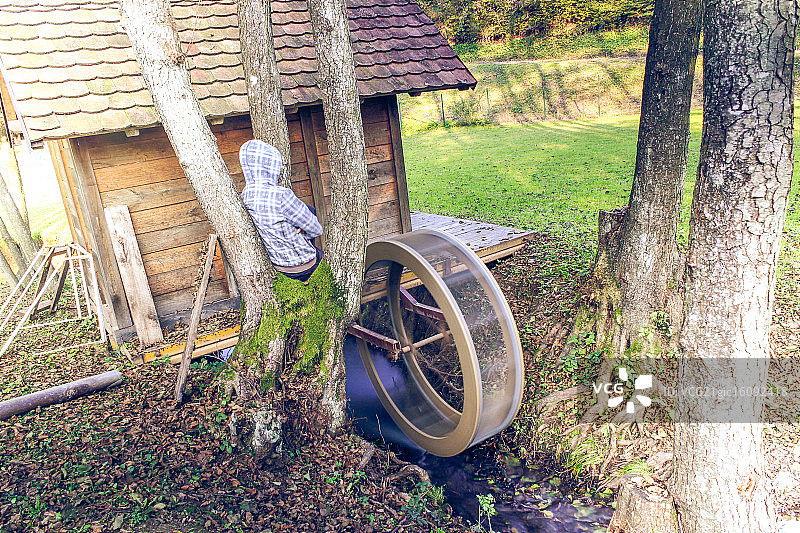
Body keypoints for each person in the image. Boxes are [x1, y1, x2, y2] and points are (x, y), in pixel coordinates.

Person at [240, 139, 323, 282]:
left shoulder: (245, 195)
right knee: (320, 251)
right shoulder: (281, 195)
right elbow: (316, 230)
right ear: (271, 165)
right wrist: (304, 229)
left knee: (309, 209)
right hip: (303, 267)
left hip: (279, 266)